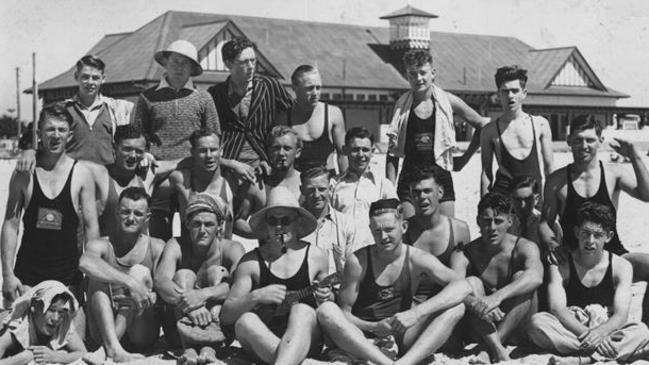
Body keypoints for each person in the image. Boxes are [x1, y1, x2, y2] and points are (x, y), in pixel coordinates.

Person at [317, 198, 471, 365]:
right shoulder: (359, 261)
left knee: (456, 307)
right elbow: (344, 313)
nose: (383, 237)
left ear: (403, 227)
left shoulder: (416, 258)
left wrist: (416, 313)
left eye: (389, 229)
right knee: (326, 310)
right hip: (359, 336)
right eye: (377, 231)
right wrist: (374, 327)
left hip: (400, 335)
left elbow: (462, 285)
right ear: (370, 230)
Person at [540, 114, 649, 323]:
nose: (584, 145)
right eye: (578, 139)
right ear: (569, 141)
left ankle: (646, 331)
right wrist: (552, 244)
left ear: (600, 141)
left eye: (590, 139)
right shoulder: (557, 180)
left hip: (614, 255)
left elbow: (646, 195)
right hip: (574, 259)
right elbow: (545, 222)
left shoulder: (613, 173)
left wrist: (635, 157)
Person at [220, 187, 331, 365]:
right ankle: (288, 359)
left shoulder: (316, 256)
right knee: (245, 320)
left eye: (285, 220)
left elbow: (330, 302)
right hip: (265, 340)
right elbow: (226, 316)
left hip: (306, 338)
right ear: (265, 225)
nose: (279, 227)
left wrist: (326, 296)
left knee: (302, 310)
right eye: (273, 221)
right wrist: (256, 296)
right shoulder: (251, 262)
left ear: (297, 222)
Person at [1, 103, 99, 303]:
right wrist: (8, 275)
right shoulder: (23, 173)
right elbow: (11, 225)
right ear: (39, 133)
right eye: (50, 129)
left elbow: (91, 227)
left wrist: (92, 274)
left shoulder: (82, 174)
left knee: (76, 334)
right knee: (14, 333)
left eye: (61, 130)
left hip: (68, 278)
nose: (56, 135)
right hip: (27, 278)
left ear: (70, 135)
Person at [529, 203, 649, 363]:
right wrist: (590, 335)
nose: (590, 241)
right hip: (573, 327)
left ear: (609, 236)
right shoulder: (561, 264)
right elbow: (557, 309)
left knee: (641, 330)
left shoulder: (621, 266)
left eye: (597, 235)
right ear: (577, 232)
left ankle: (581, 360)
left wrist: (599, 333)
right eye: (586, 233)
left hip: (606, 328)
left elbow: (621, 315)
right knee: (537, 323)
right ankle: (607, 354)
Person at [132, 39, 220, 240]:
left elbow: (214, 135)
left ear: (192, 68)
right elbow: (138, 133)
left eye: (185, 63)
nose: (179, 67)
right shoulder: (147, 97)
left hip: (192, 171)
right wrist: (144, 153)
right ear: (165, 63)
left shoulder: (204, 98)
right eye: (175, 61)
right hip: (158, 171)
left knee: (194, 230)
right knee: (158, 234)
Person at [386, 49, 489, 218]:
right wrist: (389, 189)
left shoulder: (447, 100)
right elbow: (392, 152)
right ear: (407, 75)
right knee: (411, 235)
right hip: (410, 177)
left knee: (447, 234)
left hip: (440, 174)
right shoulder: (401, 105)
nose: (418, 78)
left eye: (423, 73)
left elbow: (482, 125)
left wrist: (464, 158)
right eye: (413, 74)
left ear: (433, 73)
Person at [450, 192, 543, 362]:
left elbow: (536, 277)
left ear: (510, 221)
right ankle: (496, 347)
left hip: (518, 327)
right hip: (483, 328)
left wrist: (496, 298)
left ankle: (489, 348)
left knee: (522, 276)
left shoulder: (523, 247)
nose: (492, 227)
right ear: (478, 221)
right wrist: (477, 303)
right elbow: (451, 290)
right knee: (471, 283)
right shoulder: (466, 253)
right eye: (486, 221)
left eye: (498, 221)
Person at [154, 194, 244, 364]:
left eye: (209, 224)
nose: (202, 230)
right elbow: (161, 280)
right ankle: (189, 349)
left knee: (217, 273)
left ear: (219, 226)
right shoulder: (176, 245)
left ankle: (209, 348)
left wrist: (203, 295)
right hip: (180, 329)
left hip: (219, 330)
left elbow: (240, 285)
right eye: (196, 224)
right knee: (184, 275)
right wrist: (189, 305)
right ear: (187, 224)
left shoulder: (231, 248)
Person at [80, 187, 165, 363]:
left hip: (140, 331)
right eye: (125, 212)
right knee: (96, 278)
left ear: (147, 218)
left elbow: (164, 289)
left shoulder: (156, 247)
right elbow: (85, 263)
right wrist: (130, 283)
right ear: (117, 214)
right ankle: (113, 347)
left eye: (138, 214)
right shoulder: (101, 245)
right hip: (104, 328)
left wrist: (150, 295)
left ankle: (107, 350)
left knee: (140, 272)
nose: (131, 218)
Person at [16, 55, 133, 170]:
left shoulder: (115, 109)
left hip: (107, 178)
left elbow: (130, 141)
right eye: (85, 77)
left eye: (95, 78)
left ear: (103, 78)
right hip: (72, 179)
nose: (90, 82)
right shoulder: (62, 109)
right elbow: (37, 135)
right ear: (76, 77)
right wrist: (29, 150)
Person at [207, 37, 293, 183]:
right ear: (228, 64)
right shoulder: (215, 94)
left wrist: (271, 157)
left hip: (264, 165)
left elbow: (290, 116)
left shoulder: (270, 85)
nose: (251, 66)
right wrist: (230, 164)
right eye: (244, 62)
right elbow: (209, 135)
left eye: (253, 60)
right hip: (228, 166)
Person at [480, 66, 554, 195]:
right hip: (504, 199)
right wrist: (484, 205)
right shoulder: (489, 131)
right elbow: (486, 173)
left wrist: (553, 203)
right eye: (505, 91)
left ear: (524, 93)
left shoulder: (540, 124)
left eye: (515, 91)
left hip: (533, 197)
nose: (510, 96)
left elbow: (549, 168)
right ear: (498, 94)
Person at [404, 167, 471, 303]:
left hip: (448, 300)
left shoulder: (459, 230)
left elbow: (461, 276)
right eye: (416, 192)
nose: (422, 197)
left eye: (427, 191)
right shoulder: (403, 232)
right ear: (410, 197)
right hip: (412, 302)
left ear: (440, 193)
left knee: (473, 283)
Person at [82, 125, 160, 238]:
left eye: (138, 151)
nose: (133, 156)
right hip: (106, 252)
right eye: (127, 149)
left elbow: (182, 163)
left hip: (137, 253)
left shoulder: (147, 175)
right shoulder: (100, 175)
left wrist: (147, 156)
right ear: (114, 147)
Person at [332, 127, 397, 249]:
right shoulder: (333, 185)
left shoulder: (383, 185)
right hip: (341, 257)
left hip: (375, 256)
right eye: (355, 150)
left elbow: (395, 223)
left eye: (365, 150)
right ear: (345, 150)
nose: (361, 155)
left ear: (372, 152)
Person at [232, 126, 303, 238]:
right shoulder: (256, 184)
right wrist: (265, 234)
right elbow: (237, 222)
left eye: (287, 148)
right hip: (267, 252)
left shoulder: (305, 184)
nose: (281, 153)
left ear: (297, 152)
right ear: (268, 151)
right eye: (276, 148)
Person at [277, 64, 347, 173]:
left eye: (318, 88)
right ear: (294, 88)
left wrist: (344, 185)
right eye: (310, 88)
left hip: (326, 181)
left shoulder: (333, 114)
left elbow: (343, 155)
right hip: (296, 182)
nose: (315, 93)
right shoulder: (284, 117)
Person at [168, 129, 236, 239]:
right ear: (192, 152)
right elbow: (154, 173)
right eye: (203, 151)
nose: (209, 155)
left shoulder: (232, 180)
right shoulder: (182, 179)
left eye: (213, 150)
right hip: (190, 253)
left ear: (221, 151)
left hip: (220, 251)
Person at [0, 281, 86, 365]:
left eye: (61, 312)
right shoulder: (17, 325)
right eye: (51, 310)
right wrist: (22, 358)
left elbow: (82, 352)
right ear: (34, 306)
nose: (55, 318)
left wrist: (55, 356)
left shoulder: (63, 323)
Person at [299, 166, 355, 275]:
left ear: (330, 188)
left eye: (321, 189)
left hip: (336, 288)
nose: (316, 195)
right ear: (302, 190)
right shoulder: (293, 224)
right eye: (311, 190)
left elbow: (353, 268)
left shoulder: (346, 223)